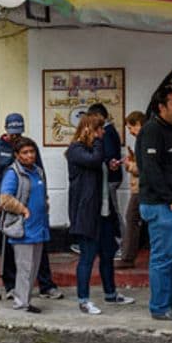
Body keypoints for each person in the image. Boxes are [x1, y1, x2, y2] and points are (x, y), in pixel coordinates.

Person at [0, 113, 63, 301]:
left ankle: (46, 285)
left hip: (32, 207)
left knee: (39, 249)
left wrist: (44, 198)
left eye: (18, 132)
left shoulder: (30, 146)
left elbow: (40, 173)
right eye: (12, 133)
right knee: (12, 248)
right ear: (6, 130)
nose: (15, 137)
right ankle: (11, 286)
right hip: (8, 205)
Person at [67, 113, 136, 314]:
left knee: (108, 253)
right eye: (99, 129)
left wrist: (110, 165)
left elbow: (98, 165)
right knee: (87, 257)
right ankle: (83, 299)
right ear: (90, 130)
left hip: (104, 212)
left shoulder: (92, 150)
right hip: (87, 213)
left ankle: (110, 293)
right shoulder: (76, 150)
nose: (103, 133)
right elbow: (94, 160)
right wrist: (97, 142)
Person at [139, 86, 172, 322]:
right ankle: (160, 307)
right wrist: (169, 197)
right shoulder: (152, 130)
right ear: (160, 107)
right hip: (163, 205)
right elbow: (150, 168)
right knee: (164, 257)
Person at [0, 137, 50, 313]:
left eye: (32, 151)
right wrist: (23, 210)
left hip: (39, 226)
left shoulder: (38, 171)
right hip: (24, 228)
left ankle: (26, 300)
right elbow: (5, 199)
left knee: (34, 268)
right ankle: (21, 303)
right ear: (17, 155)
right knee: (24, 268)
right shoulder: (13, 173)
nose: (29, 155)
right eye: (25, 152)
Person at [115, 110, 146, 268]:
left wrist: (129, 166)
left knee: (131, 218)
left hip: (140, 188)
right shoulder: (142, 140)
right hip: (139, 187)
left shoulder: (143, 139)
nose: (130, 132)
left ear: (138, 124)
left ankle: (127, 257)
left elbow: (143, 168)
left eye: (131, 128)